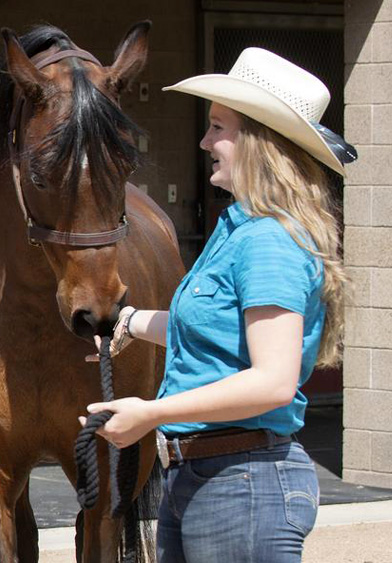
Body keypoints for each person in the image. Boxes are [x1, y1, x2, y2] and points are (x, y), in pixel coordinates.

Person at [83, 48, 355, 562]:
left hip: (242, 482)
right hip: (205, 477)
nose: (205, 141)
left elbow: (272, 381)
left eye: (217, 127)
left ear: (258, 141)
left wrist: (151, 412)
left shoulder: (268, 241)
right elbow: (210, 330)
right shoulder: (237, 230)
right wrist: (129, 322)